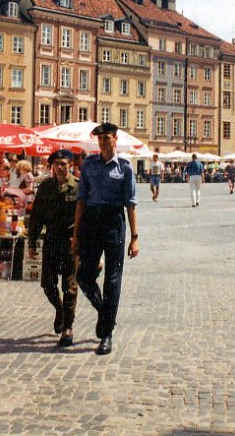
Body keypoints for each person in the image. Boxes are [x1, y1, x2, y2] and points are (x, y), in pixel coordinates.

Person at [72, 123, 139, 356]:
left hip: (114, 222)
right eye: (99, 139)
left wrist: (135, 237)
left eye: (106, 138)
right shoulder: (89, 165)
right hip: (91, 221)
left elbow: (130, 204)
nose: (103, 143)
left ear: (115, 139)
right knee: (83, 276)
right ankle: (105, 313)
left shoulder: (125, 167)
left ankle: (106, 334)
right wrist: (75, 235)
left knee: (112, 279)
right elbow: (81, 200)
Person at [29, 150, 79, 347]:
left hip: (70, 241)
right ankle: (60, 309)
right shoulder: (46, 186)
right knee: (48, 284)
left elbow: (86, 217)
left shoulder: (79, 186)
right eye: (57, 163)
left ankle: (68, 328)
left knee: (70, 286)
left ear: (70, 165)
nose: (60, 167)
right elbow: (36, 216)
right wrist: (32, 242)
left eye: (63, 163)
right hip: (51, 239)